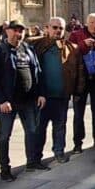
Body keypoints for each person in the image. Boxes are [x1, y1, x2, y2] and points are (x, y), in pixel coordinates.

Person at [0, 20, 46, 180]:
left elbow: (37, 72)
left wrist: (40, 93)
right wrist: (1, 100)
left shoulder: (28, 49)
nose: (18, 34)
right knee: (5, 135)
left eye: (21, 31)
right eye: (15, 30)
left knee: (32, 131)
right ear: (7, 31)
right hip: (8, 102)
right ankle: (5, 169)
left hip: (28, 100)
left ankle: (32, 162)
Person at [32, 17, 85, 164]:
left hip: (62, 96)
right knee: (39, 128)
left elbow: (80, 71)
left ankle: (59, 152)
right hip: (42, 97)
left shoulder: (72, 48)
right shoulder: (37, 45)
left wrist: (78, 92)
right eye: (54, 27)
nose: (57, 31)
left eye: (60, 28)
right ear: (47, 28)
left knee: (60, 126)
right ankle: (36, 157)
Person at [70, 12, 95, 152]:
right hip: (81, 79)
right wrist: (82, 45)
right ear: (87, 23)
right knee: (78, 112)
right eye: (92, 22)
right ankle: (78, 143)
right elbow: (69, 53)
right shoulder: (76, 34)